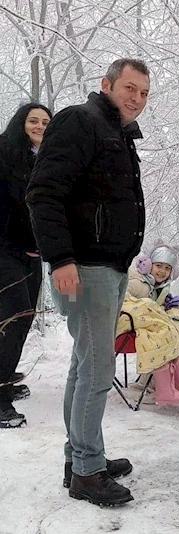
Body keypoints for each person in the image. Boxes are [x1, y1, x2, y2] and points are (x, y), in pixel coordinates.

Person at [26, 58, 151, 506]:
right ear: (107, 84)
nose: (136, 98)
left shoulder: (114, 132)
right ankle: (86, 471)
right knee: (97, 371)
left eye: (143, 93)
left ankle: (80, 457)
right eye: (129, 88)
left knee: (84, 368)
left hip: (110, 266)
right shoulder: (81, 121)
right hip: (86, 266)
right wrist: (60, 258)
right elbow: (43, 193)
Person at [0, 103, 52, 428]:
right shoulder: (4, 154)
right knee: (12, 318)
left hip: (34, 255)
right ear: (22, 123)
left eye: (45, 122)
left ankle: (5, 380)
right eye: (33, 120)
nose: (39, 125)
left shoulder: (47, 160)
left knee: (24, 317)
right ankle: (0, 399)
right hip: (5, 251)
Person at [122, 241, 179, 405]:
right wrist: (153, 308)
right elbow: (120, 301)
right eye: (159, 265)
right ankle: (165, 390)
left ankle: (177, 386)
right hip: (125, 327)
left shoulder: (154, 285)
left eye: (167, 268)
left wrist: (165, 304)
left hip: (141, 324)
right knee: (166, 333)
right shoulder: (137, 282)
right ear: (147, 264)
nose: (163, 271)